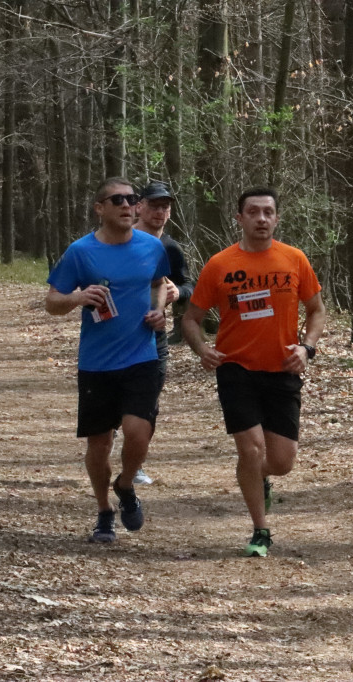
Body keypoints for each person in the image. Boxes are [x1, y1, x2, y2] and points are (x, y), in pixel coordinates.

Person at [182, 187, 326, 557]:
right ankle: (260, 530)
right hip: (236, 369)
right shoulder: (220, 265)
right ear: (240, 219)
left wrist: (306, 348)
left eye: (268, 212)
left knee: (280, 462)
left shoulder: (294, 260)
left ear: (276, 219)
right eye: (253, 212)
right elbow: (191, 318)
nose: (261, 219)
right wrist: (203, 349)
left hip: (282, 369)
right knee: (250, 449)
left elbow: (316, 310)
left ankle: (259, 478)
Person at [46, 177, 170, 543]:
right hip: (97, 362)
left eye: (132, 199)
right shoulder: (80, 252)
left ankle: (126, 484)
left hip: (141, 355)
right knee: (99, 443)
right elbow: (52, 302)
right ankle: (104, 511)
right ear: (99, 208)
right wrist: (78, 297)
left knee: (138, 431)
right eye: (117, 199)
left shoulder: (151, 246)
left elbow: (159, 282)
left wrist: (159, 311)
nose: (127, 205)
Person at [130, 180, 195, 486]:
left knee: (149, 403)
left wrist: (177, 292)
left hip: (154, 336)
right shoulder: (120, 240)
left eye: (165, 207)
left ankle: (136, 462)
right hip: (118, 333)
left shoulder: (170, 248)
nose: (159, 212)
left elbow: (188, 285)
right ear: (138, 206)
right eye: (154, 205)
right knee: (118, 403)